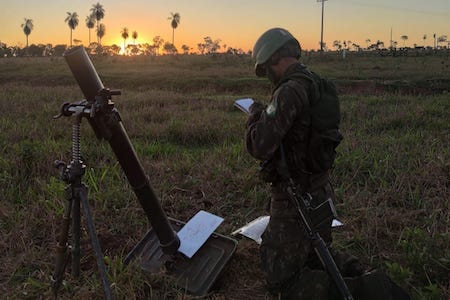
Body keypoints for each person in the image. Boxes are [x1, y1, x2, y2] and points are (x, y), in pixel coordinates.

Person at [245, 28, 411, 300]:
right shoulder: (319, 84)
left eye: (266, 69)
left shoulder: (289, 91)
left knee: (280, 280)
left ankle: (365, 290)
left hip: (295, 199)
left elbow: (259, 145)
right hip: (320, 191)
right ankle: (352, 268)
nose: (268, 77)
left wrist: (254, 116)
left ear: (274, 59)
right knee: (313, 252)